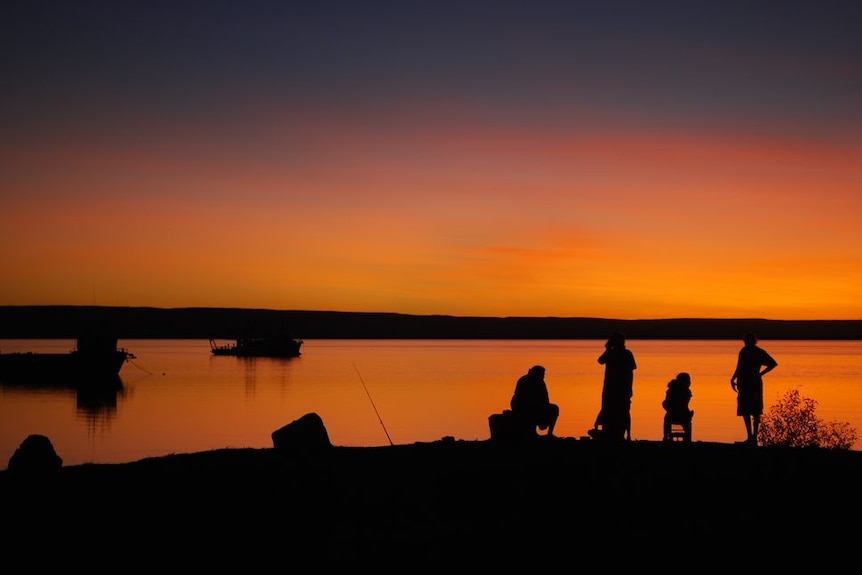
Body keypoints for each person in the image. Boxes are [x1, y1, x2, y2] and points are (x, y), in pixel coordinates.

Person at [730, 333, 778, 445]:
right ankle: (750, 437)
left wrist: (761, 374)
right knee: (746, 410)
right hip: (745, 382)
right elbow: (739, 367)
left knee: (754, 410)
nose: (746, 343)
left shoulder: (757, 352)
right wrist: (733, 379)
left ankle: (753, 437)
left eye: (747, 341)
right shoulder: (744, 351)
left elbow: (773, 363)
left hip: (752, 383)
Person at [594, 332, 637, 440]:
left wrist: (629, 388)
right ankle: (611, 433)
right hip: (611, 388)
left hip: (619, 388)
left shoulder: (626, 354)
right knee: (611, 411)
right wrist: (608, 350)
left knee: (623, 412)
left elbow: (630, 372)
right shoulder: (612, 353)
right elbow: (600, 361)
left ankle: (625, 434)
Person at [510, 365, 559, 436]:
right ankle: (534, 432)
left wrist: (544, 407)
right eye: (543, 374)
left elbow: (545, 397)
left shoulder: (540, 381)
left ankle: (549, 434)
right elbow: (521, 397)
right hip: (521, 406)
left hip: (536, 406)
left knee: (554, 408)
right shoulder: (525, 380)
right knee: (533, 409)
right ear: (537, 373)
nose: (544, 376)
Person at [662, 372, 694, 442]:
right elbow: (684, 405)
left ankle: (665, 436)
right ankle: (686, 435)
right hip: (682, 415)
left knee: (667, 418)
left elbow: (667, 403)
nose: (690, 383)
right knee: (684, 418)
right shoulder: (686, 391)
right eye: (688, 381)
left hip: (672, 414)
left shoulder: (671, 390)